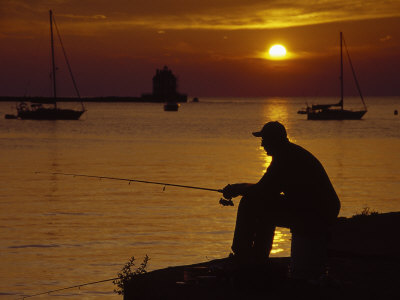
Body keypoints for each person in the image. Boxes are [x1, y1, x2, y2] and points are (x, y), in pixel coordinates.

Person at [222, 121, 340, 265]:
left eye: (264, 140)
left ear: (274, 140)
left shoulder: (284, 159)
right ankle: (253, 257)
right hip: (314, 208)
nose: (262, 145)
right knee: (261, 204)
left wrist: (237, 189)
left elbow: (261, 191)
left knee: (250, 203)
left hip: (317, 213)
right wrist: (239, 188)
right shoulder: (288, 153)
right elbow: (265, 189)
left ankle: (245, 256)